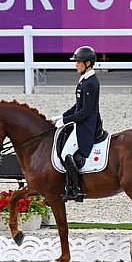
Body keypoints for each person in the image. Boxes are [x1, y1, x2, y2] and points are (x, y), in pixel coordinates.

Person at [51, 46, 102, 202]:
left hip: (87, 126)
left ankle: (75, 189)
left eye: (78, 62)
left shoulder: (91, 83)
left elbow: (85, 112)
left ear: (87, 63)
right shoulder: (84, 80)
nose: (76, 65)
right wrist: (62, 115)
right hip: (81, 122)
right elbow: (77, 106)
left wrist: (65, 121)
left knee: (67, 153)